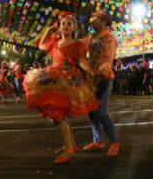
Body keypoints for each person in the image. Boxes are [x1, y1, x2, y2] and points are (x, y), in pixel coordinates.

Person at [23, 15, 98, 164]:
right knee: (55, 114)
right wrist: (48, 30)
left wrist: (91, 71)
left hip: (67, 80)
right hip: (52, 76)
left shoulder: (77, 45)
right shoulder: (55, 43)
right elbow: (41, 46)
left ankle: (69, 150)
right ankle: (71, 145)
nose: (65, 26)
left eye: (69, 24)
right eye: (63, 23)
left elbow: (82, 61)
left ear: (74, 28)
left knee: (57, 114)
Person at [81, 10, 120, 157]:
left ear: (103, 21)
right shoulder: (91, 38)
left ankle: (114, 142)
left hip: (104, 78)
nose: (92, 21)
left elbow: (108, 59)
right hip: (92, 80)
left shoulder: (109, 38)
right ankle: (98, 141)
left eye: (95, 18)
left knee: (102, 113)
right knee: (92, 112)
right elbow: (77, 47)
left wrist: (102, 70)